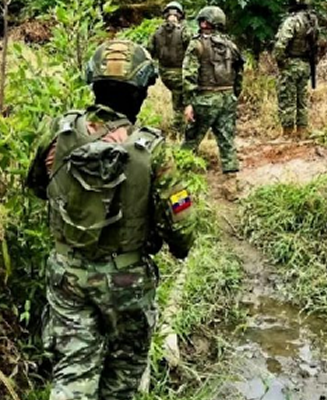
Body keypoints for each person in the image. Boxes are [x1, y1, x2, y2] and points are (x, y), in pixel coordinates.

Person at [25, 39, 196, 400]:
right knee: (122, 379)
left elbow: (38, 185)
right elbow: (181, 224)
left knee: (72, 372)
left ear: (94, 84)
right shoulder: (152, 149)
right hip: (127, 281)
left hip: (68, 275)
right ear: (140, 93)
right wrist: (176, 246)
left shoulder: (59, 132)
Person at [182, 6, 244, 194]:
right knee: (227, 139)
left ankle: (181, 177)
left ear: (203, 22)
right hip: (227, 98)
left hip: (205, 98)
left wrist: (188, 102)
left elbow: (188, 75)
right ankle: (231, 181)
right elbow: (239, 73)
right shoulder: (231, 45)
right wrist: (234, 95)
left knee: (191, 139)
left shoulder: (197, 44)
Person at [273, 0, 319, 138]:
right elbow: (316, 43)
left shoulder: (292, 21)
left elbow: (281, 45)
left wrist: (281, 62)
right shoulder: (313, 20)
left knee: (287, 99)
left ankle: (287, 134)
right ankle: (302, 132)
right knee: (302, 100)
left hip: (291, 64)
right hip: (305, 64)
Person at [147, 1, 191, 134]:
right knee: (180, 102)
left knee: (179, 98)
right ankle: (178, 129)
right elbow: (193, 50)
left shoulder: (157, 32)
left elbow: (149, 51)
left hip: (164, 74)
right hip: (179, 73)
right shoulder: (184, 31)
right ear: (180, 15)